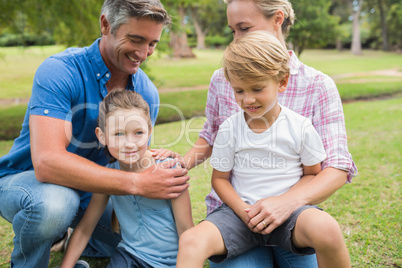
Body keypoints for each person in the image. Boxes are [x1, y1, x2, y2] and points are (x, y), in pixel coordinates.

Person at [0, 1, 190, 267]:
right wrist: (137, 184)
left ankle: (65, 237)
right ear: (105, 25)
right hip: (29, 183)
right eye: (135, 39)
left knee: (129, 234)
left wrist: (160, 157)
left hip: (94, 191)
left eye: (152, 44)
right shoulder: (61, 70)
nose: (143, 53)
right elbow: (47, 164)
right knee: (56, 204)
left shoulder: (147, 94)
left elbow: (135, 157)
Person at [176, 0, 358, 266]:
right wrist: (178, 165)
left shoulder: (318, 86)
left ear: (278, 19)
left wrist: (285, 203)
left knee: (325, 230)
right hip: (236, 214)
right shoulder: (224, 78)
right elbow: (211, 137)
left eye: (244, 28)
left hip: (292, 215)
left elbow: (335, 167)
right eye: (232, 31)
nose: (236, 40)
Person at [61, 90, 193, 268]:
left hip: (173, 262)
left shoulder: (170, 170)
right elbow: (85, 228)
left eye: (138, 132)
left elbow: (187, 231)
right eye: (118, 134)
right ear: (102, 136)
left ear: (149, 131)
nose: (129, 143)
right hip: (129, 257)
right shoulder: (108, 177)